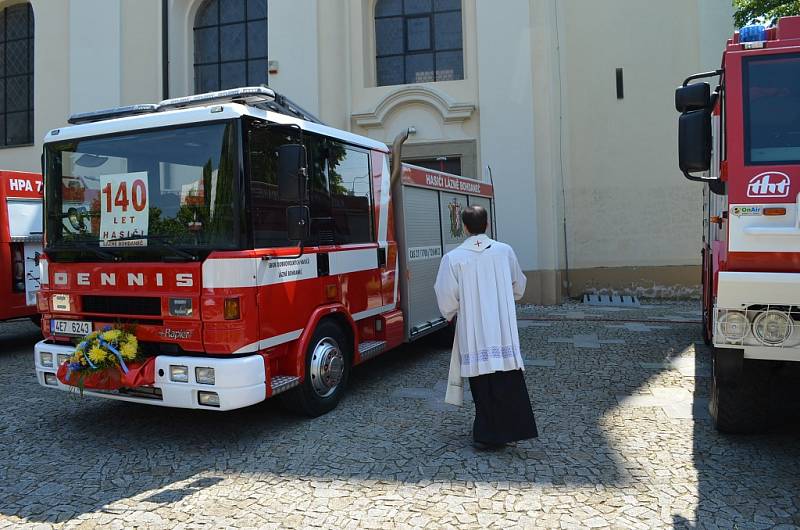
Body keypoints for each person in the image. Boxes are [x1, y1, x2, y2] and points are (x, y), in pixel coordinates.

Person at [434, 205, 538, 450]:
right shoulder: (505, 252)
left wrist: (454, 311)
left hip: (474, 329)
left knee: (481, 383)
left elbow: (446, 296)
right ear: (487, 224)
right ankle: (508, 429)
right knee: (506, 379)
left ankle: (486, 434)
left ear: (464, 227)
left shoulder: (453, 258)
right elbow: (518, 286)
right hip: (502, 327)